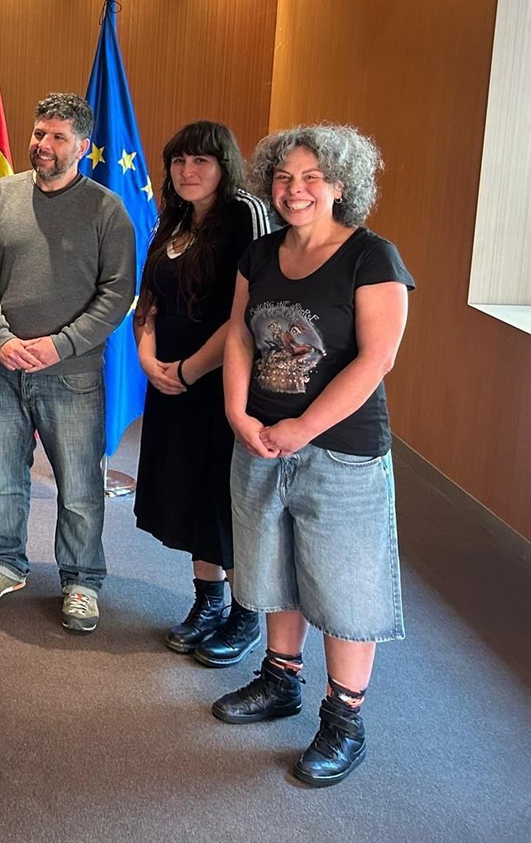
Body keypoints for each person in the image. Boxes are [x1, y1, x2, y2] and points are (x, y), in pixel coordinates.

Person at [211, 124, 412, 788]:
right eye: (284, 177)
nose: (295, 190)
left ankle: (345, 720)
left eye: (311, 178)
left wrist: (304, 426)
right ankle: (280, 680)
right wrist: (239, 411)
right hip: (262, 440)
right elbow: (241, 333)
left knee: (346, 584)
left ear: (340, 186)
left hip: (340, 451)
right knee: (272, 564)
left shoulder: (371, 258)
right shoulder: (261, 253)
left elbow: (376, 359)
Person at [0, 92, 136, 633]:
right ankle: (5, 561)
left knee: (80, 485)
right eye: (39, 133)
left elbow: (116, 293)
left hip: (73, 375)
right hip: (4, 367)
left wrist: (60, 345)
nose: (44, 145)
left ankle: (82, 580)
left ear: (82, 146)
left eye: (58, 137)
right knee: (5, 477)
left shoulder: (107, 209)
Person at [133, 121, 275, 661]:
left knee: (226, 499)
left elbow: (247, 314)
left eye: (202, 162)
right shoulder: (172, 220)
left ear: (224, 167)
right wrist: (149, 358)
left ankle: (245, 614)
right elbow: (148, 297)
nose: (188, 172)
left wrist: (190, 369)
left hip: (223, 384)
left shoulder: (244, 215)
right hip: (170, 379)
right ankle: (208, 601)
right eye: (179, 162)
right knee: (188, 492)